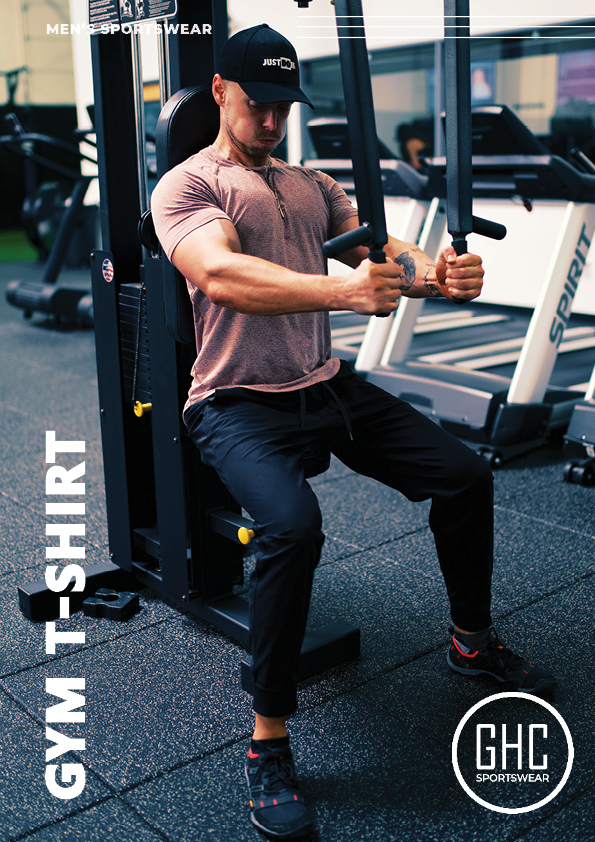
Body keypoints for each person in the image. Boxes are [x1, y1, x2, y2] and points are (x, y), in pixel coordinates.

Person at [151, 23, 557, 841]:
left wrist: (439, 278)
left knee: (465, 475)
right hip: (235, 400)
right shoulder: (186, 187)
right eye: (258, 104)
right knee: (292, 527)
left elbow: (383, 255)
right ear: (223, 92)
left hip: (326, 385)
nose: (272, 120)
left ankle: (469, 643)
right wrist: (342, 297)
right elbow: (221, 274)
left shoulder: (310, 183)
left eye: (283, 107)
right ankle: (267, 740)